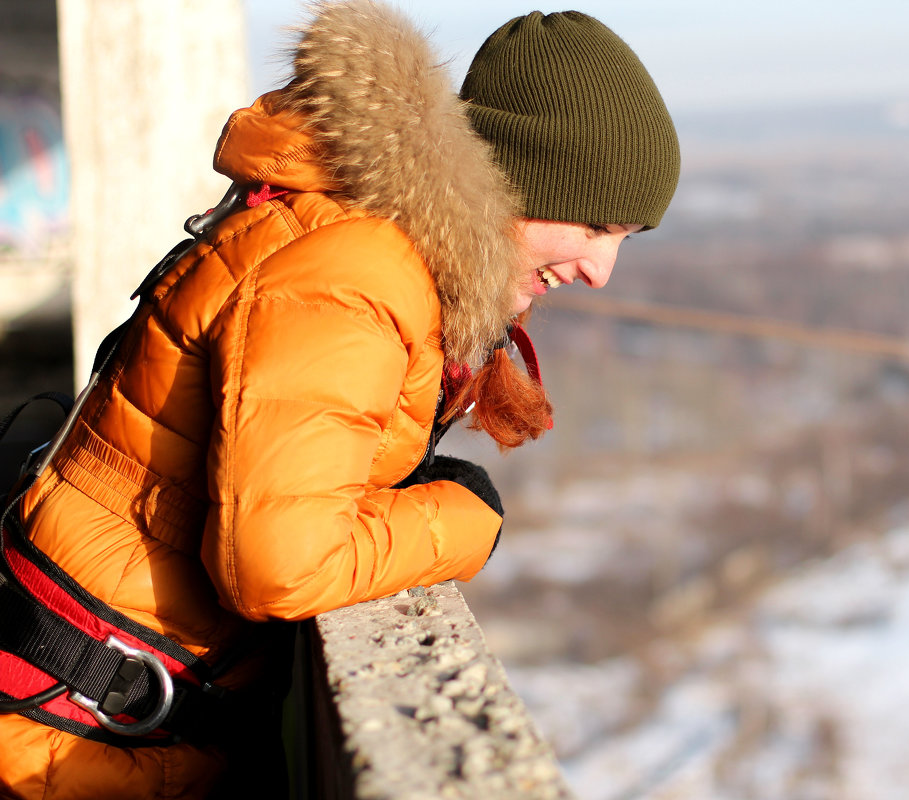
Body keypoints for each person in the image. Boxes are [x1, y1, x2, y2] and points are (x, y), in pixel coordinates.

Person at [0, 2, 679, 798]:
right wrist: (467, 516)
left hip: (98, 722)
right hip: (72, 747)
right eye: (595, 226)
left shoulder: (369, 247)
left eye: (625, 240)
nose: (602, 272)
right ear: (519, 179)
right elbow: (280, 566)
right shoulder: (355, 270)